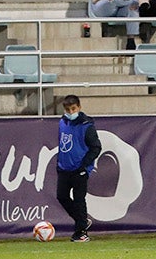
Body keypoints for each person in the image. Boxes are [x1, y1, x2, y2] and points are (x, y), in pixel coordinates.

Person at [56, 95, 99, 242]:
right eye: (68, 109)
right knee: (61, 196)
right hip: (64, 168)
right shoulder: (62, 122)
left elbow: (96, 148)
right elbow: (62, 144)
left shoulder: (87, 126)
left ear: (79, 107)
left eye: (73, 108)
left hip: (79, 169)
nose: (70, 111)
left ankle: (81, 232)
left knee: (79, 199)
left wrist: (84, 165)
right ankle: (82, 221)